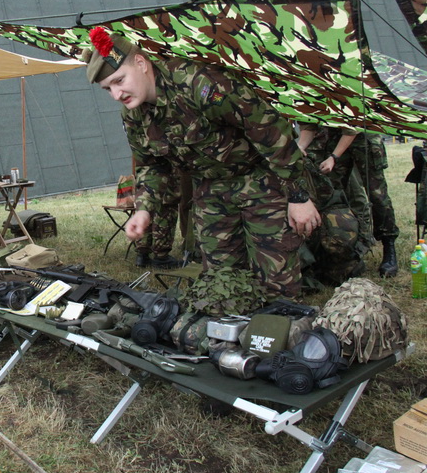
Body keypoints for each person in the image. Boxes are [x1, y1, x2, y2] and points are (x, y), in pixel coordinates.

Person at [81, 29, 319, 299]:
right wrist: (144, 209)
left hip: (260, 180)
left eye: (119, 80)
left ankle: (280, 330)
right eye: (107, 88)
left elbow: (269, 131)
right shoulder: (134, 115)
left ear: (141, 63)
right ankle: (230, 334)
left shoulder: (200, 84)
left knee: (276, 279)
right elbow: (151, 164)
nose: (116, 94)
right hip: (210, 189)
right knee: (221, 282)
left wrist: (298, 195)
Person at [299, 124, 399, 277]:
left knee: (377, 195)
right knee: (332, 193)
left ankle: (389, 246)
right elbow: (308, 124)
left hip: (362, 132)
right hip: (333, 136)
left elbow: (352, 126)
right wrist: (300, 146)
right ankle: (341, 251)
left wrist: (334, 157)